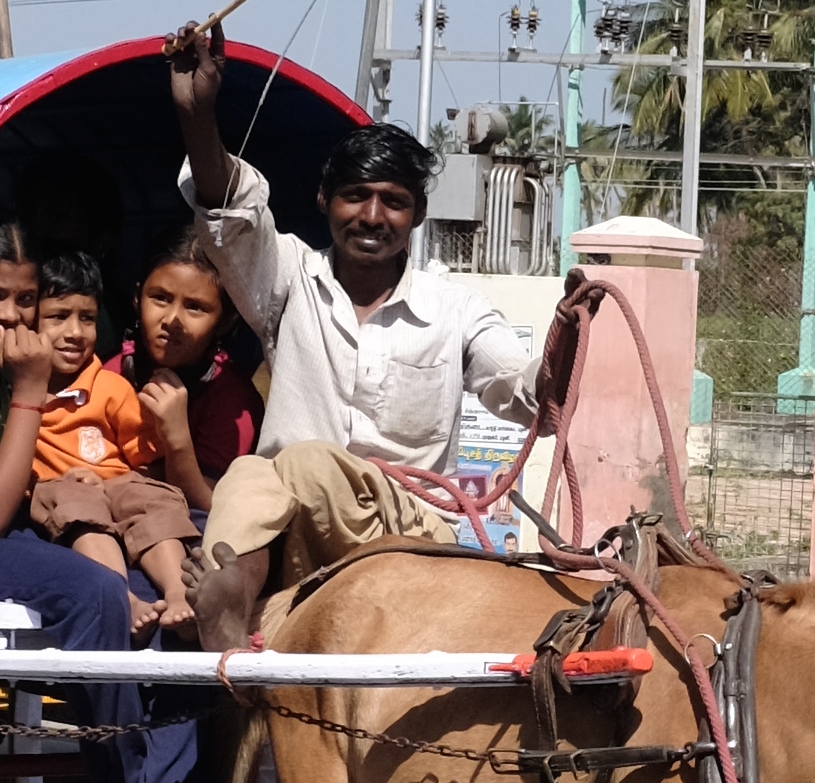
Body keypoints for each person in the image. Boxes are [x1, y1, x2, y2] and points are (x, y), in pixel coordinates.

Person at [166, 22, 569, 650]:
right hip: (296, 524)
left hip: (407, 531)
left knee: (299, 461)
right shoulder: (288, 280)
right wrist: (198, 113)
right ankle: (232, 597)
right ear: (325, 201)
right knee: (250, 474)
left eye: (392, 201)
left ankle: (233, 584)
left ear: (417, 215)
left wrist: (565, 346)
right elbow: (231, 213)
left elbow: (526, 395)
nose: (373, 216)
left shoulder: (456, 311)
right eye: (355, 196)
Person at [0, 221, 234, 783]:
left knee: (189, 597)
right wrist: (29, 387)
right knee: (97, 594)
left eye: (25, 300)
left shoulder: (70, 378)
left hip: (49, 523)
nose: (11, 316)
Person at [22, 251, 200, 640]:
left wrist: (121, 483)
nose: (75, 332)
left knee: (150, 499)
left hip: (118, 482)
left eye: (87, 318)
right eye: (58, 317)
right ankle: (124, 598)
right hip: (62, 490)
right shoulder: (19, 393)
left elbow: (146, 460)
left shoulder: (111, 387)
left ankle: (178, 592)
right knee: (76, 502)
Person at [120, 229, 265, 527]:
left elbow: (207, 508)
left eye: (195, 307)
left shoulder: (231, 400)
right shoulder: (107, 371)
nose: (172, 320)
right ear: (137, 298)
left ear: (225, 321)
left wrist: (177, 439)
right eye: (160, 298)